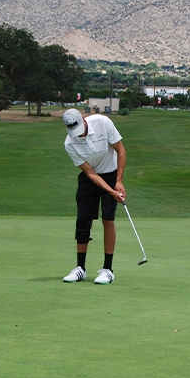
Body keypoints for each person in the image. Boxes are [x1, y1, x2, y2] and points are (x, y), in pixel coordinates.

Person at [61, 108, 126, 284]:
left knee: (108, 219)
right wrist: (110, 191)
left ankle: (107, 270)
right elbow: (90, 173)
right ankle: (80, 269)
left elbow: (121, 150)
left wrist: (118, 182)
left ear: (84, 119)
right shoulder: (69, 144)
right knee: (82, 220)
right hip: (91, 179)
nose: (79, 136)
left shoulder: (103, 123)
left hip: (111, 173)